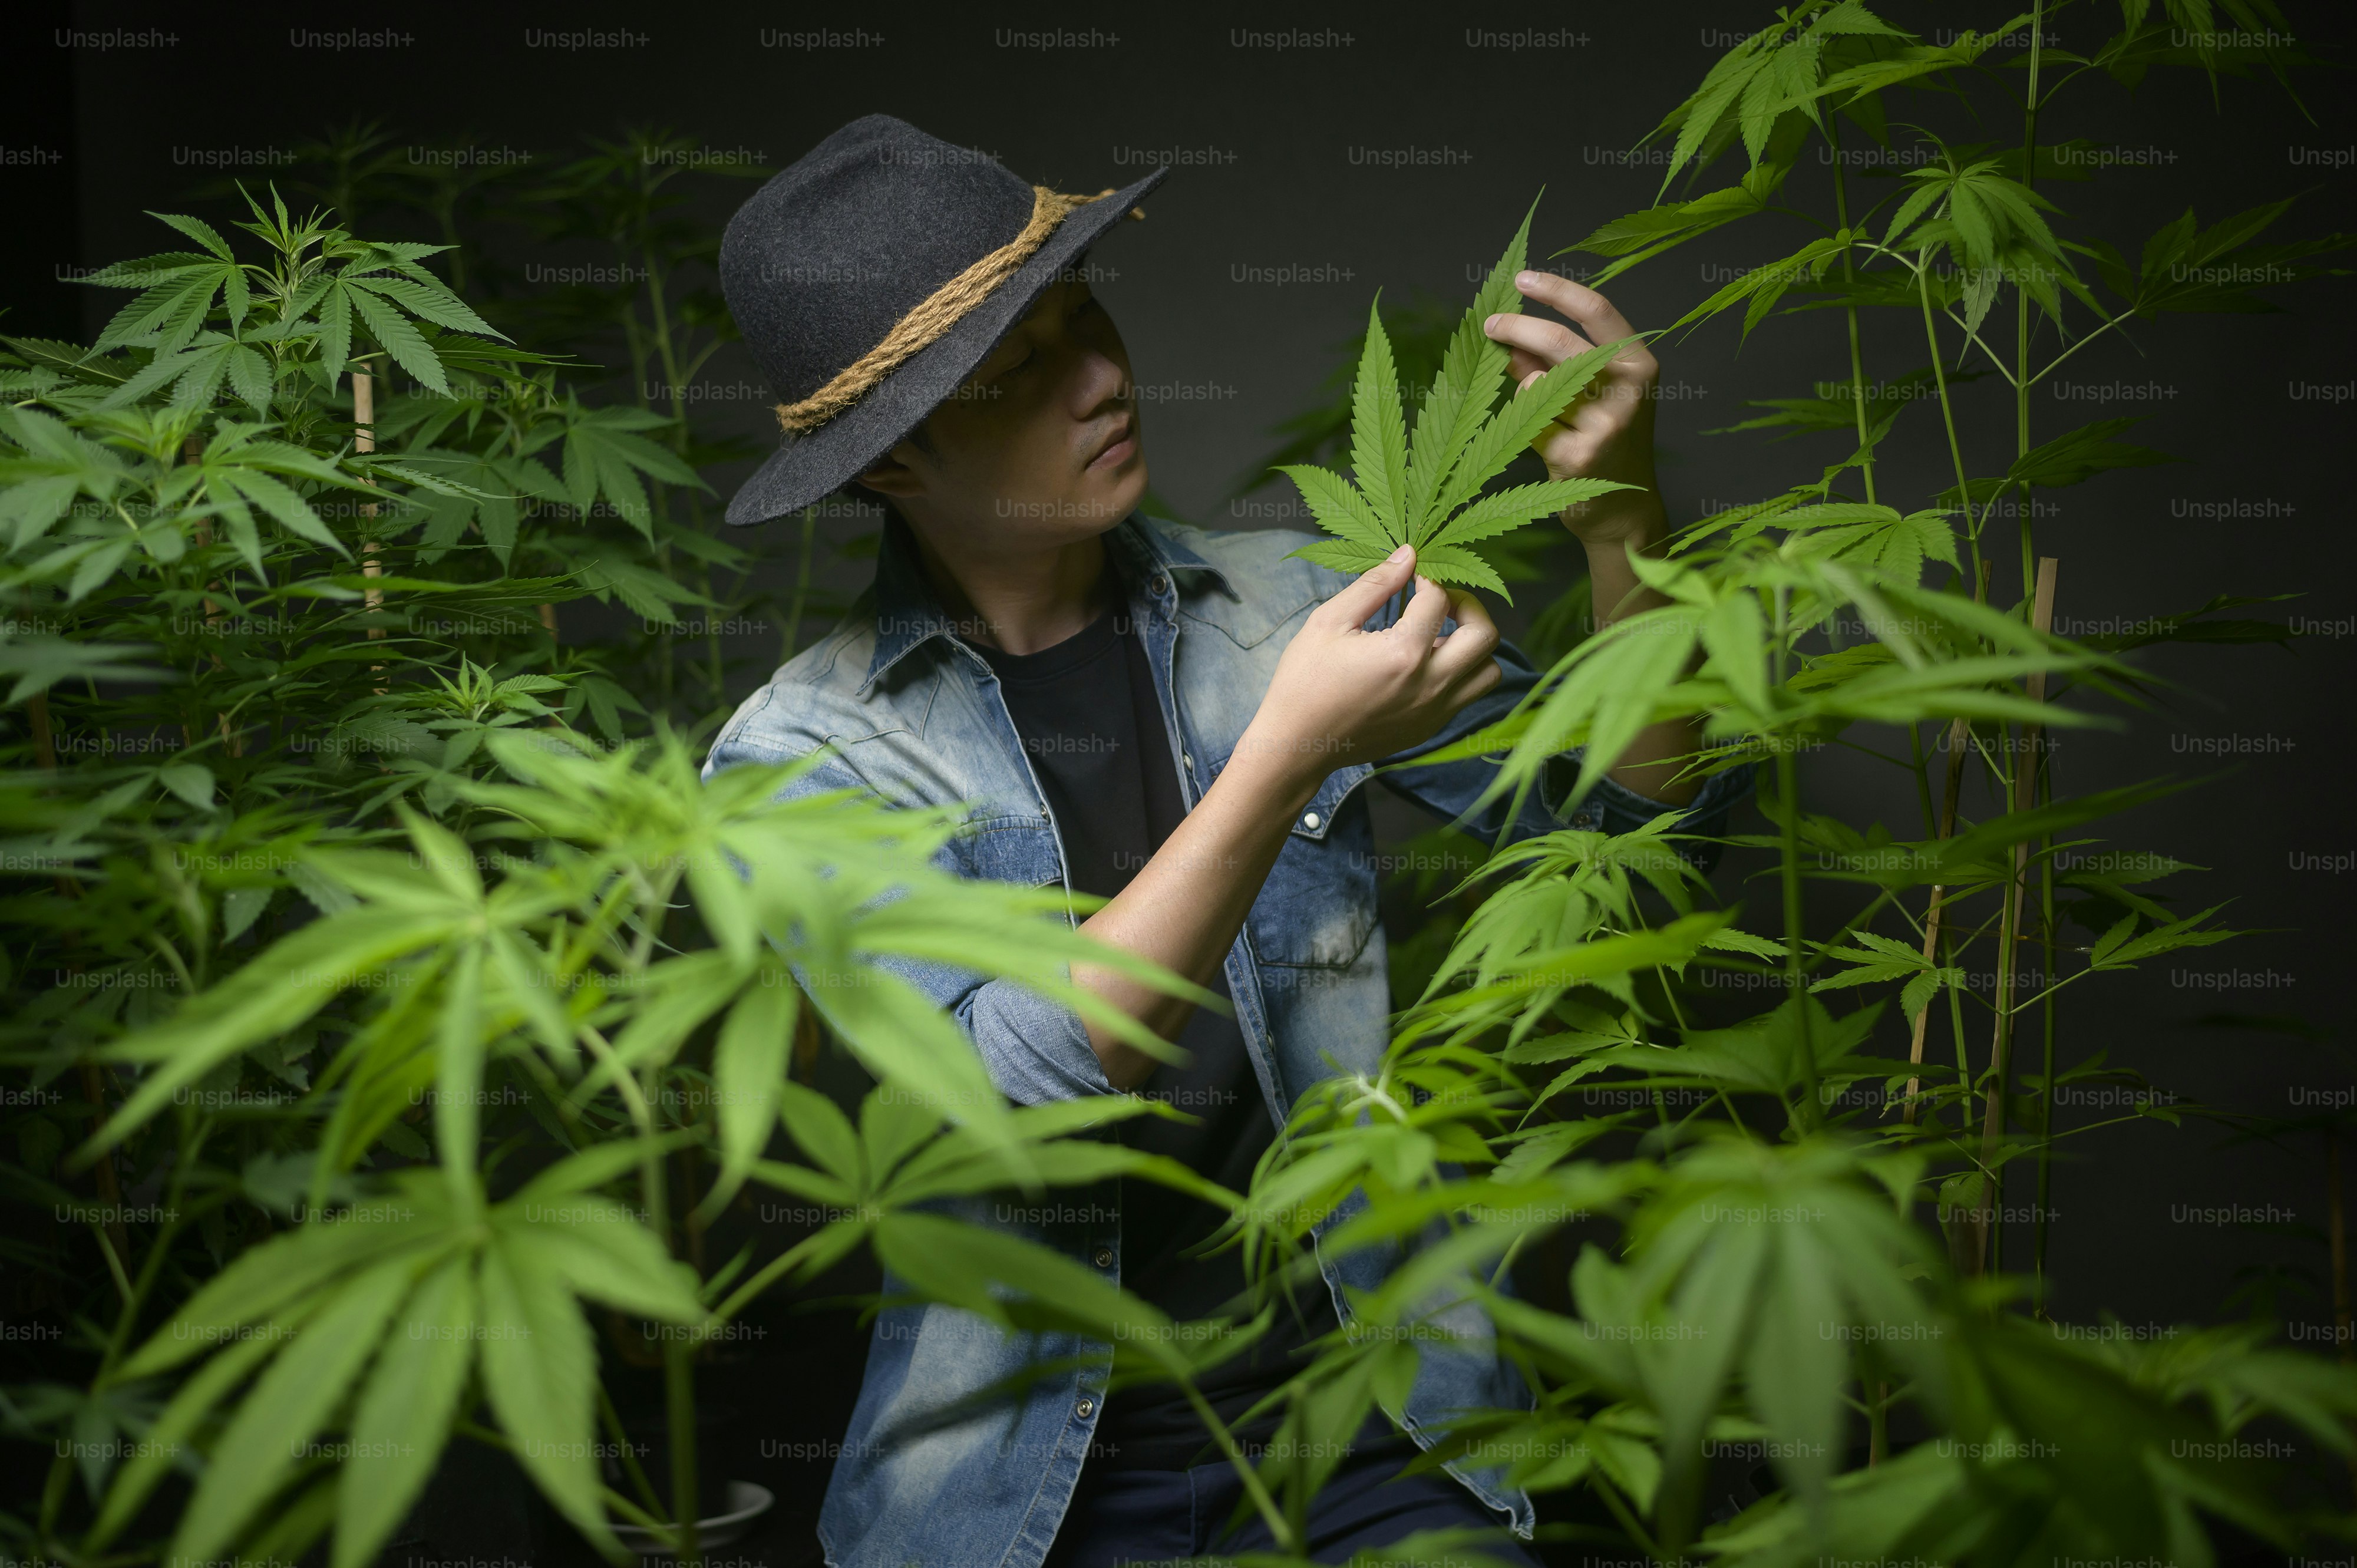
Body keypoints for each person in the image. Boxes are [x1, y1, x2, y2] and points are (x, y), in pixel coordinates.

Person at [702, 115, 1748, 1568]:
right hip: (1029, 1491)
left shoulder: (1291, 608)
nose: (1103, 381)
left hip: (1378, 1428)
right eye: (1021, 373)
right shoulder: (802, 756)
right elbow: (1004, 1098)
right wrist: (1285, 757)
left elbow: (1637, 831)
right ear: (887, 467)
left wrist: (1620, 518)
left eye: (1090, 321)